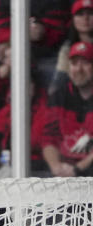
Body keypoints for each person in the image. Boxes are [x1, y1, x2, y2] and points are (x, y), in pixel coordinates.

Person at [42, 41, 93, 177]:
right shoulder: (59, 96)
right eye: (74, 64)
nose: (79, 69)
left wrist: (78, 168)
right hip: (65, 173)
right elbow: (48, 138)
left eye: (85, 63)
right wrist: (56, 167)